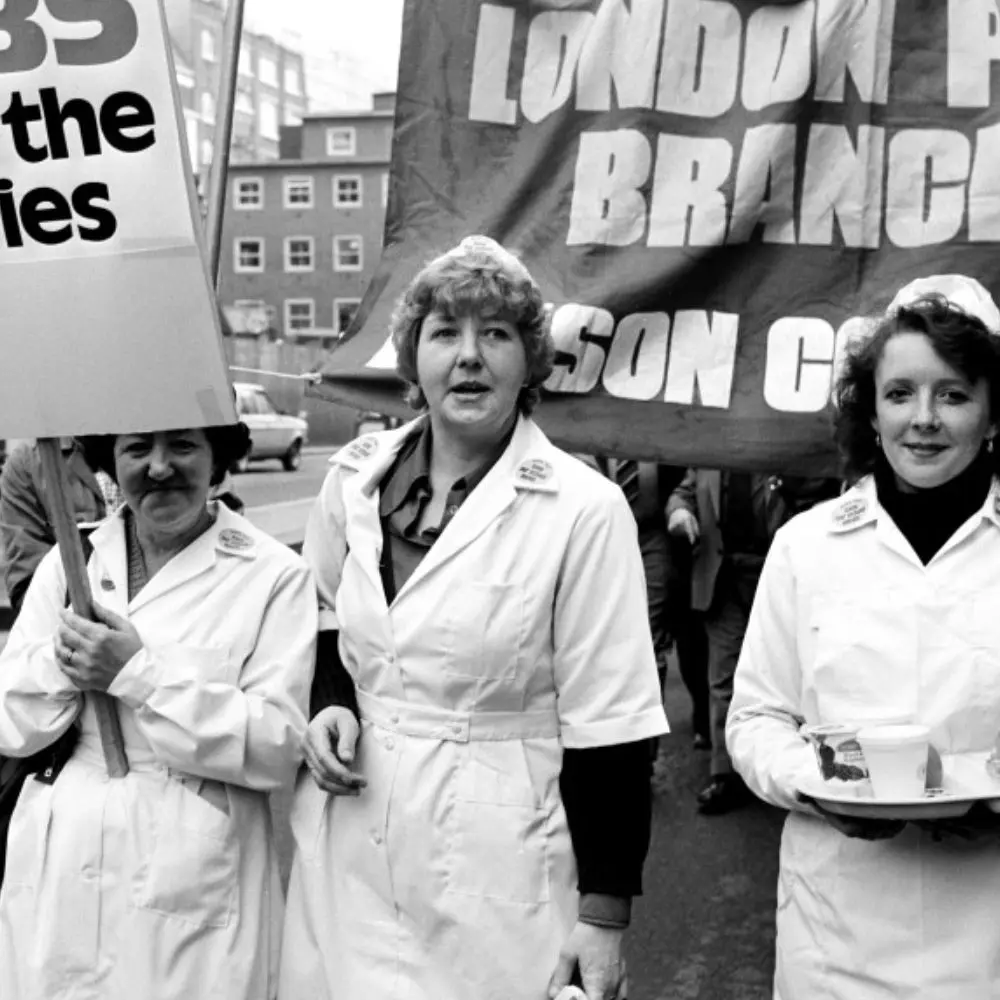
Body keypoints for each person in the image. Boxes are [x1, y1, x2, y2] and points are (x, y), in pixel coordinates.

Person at [279, 236, 668, 1000]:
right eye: (446, 332)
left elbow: (612, 725)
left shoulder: (582, 510)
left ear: (528, 362)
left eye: (495, 334)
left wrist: (605, 913)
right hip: (351, 848)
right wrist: (332, 699)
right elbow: (327, 612)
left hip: (500, 864)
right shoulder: (352, 482)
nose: (468, 356)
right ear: (412, 356)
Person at [727, 274, 1000, 999]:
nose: (925, 419)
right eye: (901, 393)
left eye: (954, 394)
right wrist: (820, 785)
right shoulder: (805, 546)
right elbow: (756, 719)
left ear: (992, 412)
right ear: (871, 413)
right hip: (836, 940)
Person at [0, 423, 316, 999]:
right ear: (110, 463)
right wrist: (66, 660)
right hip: (62, 858)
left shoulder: (272, 576)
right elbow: (10, 724)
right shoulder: (69, 566)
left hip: (195, 869)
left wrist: (137, 676)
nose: (160, 466)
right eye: (137, 449)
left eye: (184, 446)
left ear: (218, 456)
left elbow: (278, 747)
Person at [666, 469, 840, 813]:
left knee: (787, 676)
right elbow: (682, 493)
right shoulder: (711, 455)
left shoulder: (788, 451)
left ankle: (797, 770)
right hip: (723, 576)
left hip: (776, 572)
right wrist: (679, 512)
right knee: (724, 678)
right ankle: (726, 775)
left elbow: (825, 492)